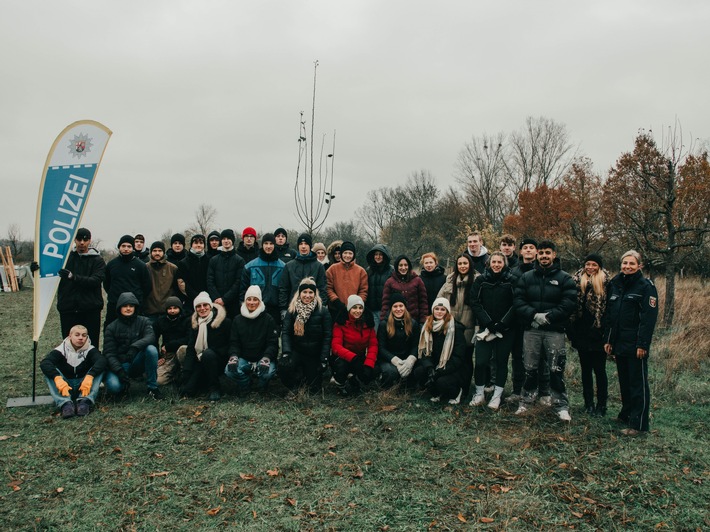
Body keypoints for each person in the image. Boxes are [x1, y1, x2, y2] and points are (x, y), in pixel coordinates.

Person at [513, 240, 576, 421]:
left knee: (556, 368)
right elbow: (518, 301)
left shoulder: (565, 278)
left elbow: (569, 303)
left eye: (548, 253)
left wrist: (549, 316)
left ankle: (561, 406)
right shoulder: (527, 277)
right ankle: (526, 402)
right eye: (541, 253)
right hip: (531, 329)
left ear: (554, 255)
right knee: (530, 367)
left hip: (554, 331)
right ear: (537, 255)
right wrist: (533, 315)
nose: (544, 256)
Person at [604, 250, 658, 436]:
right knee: (624, 381)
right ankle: (626, 415)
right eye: (625, 263)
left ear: (639, 266)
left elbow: (648, 319)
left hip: (636, 344)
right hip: (619, 342)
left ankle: (639, 425)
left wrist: (642, 344)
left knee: (638, 383)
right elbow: (611, 315)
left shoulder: (645, 286)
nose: (627, 267)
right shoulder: (616, 284)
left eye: (631, 264)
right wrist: (609, 340)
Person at [469, 252, 517, 409]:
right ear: (489, 264)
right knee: (481, 361)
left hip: (506, 328)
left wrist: (503, 323)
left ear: (504, 264)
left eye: (499, 262)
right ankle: (479, 393)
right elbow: (475, 302)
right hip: (485, 328)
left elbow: (516, 304)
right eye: (494, 262)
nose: (496, 265)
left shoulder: (512, 281)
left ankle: (497, 396)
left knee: (501, 361)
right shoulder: (481, 280)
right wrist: (488, 322)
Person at [508, 237, 549, 403]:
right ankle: (518, 390)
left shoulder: (543, 270)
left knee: (540, 357)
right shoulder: (513, 271)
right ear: (521, 251)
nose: (529, 250)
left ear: (537, 252)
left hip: (537, 321)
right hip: (518, 321)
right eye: (525, 248)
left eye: (532, 247)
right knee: (517, 357)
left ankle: (544, 391)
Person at [569, 253, 611, 416]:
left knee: (599, 370)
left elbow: (609, 310)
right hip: (581, 332)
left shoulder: (607, 282)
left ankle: (602, 405)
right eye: (588, 264)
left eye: (594, 265)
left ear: (599, 266)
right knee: (585, 370)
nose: (590, 267)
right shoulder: (577, 280)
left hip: (598, 332)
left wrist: (605, 333)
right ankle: (588, 404)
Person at [103, 292, 161, 399]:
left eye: (131, 306)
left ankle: (152, 388)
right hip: (119, 365)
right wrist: (119, 370)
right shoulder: (111, 327)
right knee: (114, 387)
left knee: (151, 349)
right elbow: (109, 353)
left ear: (135, 307)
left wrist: (135, 347)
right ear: (119, 308)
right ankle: (124, 385)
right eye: (125, 306)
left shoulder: (144, 321)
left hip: (136, 362)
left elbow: (151, 337)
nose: (128, 308)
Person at [280, 278, 332, 395]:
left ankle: (307, 378)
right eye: (304, 292)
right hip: (297, 351)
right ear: (299, 293)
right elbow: (286, 333)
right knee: (284, 368)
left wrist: (324, 358)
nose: (307, 295)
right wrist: (286, 353)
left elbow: (327, 336)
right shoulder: (292, 310)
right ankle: (295, 386)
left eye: (310, 292)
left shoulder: (323, 311)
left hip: (314, 354)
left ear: (315, 294)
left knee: (314, 391)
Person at [40, 325, 106, 418]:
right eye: (77, 335)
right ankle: (65, 403)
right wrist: (57, 378)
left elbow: (102, 361)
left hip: (83, 385)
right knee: (50, 372)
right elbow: (45, 363)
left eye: (84, 335)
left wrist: (90, 376)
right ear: (70, 336)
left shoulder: (90, 349)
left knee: (99, 369)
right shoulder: (60, 350)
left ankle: (85, 401)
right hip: (65, 386)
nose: (80, 338)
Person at [56, 227, 106, 348]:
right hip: (68, 308)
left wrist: (73, 277)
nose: (82, 243)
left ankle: (91, 366)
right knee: (69, 344)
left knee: (91, 343)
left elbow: (95, 280)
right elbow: (49, 273)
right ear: (74, 240)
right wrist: (36, 269)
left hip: (90, 309)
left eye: (85, 239)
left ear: (90, 241)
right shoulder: (65, 258)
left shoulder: (97, 260)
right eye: (79, 239)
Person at [411, 298, 467, 404]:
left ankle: (456, 392)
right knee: (419, 372)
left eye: (443, 309)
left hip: (451, 368)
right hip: (435, 365)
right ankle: (436, 392)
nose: (439, 312)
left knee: (442, 382)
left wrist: (440, 371)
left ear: (447, 311)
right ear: (433, 310)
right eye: (437, 309)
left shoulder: (456, 328)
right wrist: (430, 368)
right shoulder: (427, 326)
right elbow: (424, 352)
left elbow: (458, 357)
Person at [225, 285, 279, 395]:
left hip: (262, 358)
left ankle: (261, 387)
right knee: (228, 370)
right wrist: (234, 356)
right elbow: (234, 342)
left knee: (268, 373)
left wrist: (267, 358)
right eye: (249, 299)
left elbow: (272, 343)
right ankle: (246, 384)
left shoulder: (268, 319)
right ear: (245, 301)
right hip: (244, 358)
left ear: (260, 301)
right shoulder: (237, 319)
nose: (252, 302)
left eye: (255, 299)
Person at [437, 253, 476, 400]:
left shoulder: (476, 281)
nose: (462, 266)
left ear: (470, 265)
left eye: (465, 263)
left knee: (466, 360)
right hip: (451, 328)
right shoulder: (449, 281)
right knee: (451, 359)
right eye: (460, 264)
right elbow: (439, 301)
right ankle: (452, 386)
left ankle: (465, 388)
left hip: (468, 327)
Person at [180, 291, 232, 400]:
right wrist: (186, 371)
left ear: (210, 306)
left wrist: (213, 353)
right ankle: (200, 383)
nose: (202, 308)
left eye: (205, 305)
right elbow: (191, 348)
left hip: (219, 360)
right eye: (198, 306)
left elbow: (230, 344)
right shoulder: (196, 324)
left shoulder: (224, 322)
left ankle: (215, 388)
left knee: (208, 354)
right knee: (187, 391)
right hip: (200, 361)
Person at [331, 295, 377, 396]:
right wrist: (353, 358)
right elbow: (336, 346)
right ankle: (340, 385)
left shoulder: (368, 324)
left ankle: (354, 379)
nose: (358, 311)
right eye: (354, 308)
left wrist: (368, 364)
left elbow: (373, 345)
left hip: (360, 356)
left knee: (373, 371)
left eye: (360, 308)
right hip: (344, 357)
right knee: (341, 367)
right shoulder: (341, 323)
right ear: (349, 309)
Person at [104, 235, 152, 327]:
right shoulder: (111, 264)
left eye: (129, 246)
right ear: (119, 247)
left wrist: (137, 299)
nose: (126, 249)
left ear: (133, 248)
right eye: (123, 246)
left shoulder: (140, 265)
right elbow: (107, 284)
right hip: (114, 305)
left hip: (134, 306)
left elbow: (147, 286)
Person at [240, 233, 285, 328]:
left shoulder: (283, 267)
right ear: (262, 245)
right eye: (266, 243)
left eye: (271, 244)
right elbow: (243, 290)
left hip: (275, 311)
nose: (268, 246)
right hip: (255, 309)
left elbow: (285, 290)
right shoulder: (250, 266)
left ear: (274, 245)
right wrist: (243, 307)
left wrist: (283, 309)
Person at [376, 293, 420, 388]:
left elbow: (415, 345)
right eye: (395, 306)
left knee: (417, 371)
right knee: (391, 373)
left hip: (406, 358)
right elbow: (381, 348)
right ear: (391, 308)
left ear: (405, 307)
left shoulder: (413, 323)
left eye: (401, 306)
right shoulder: (384, 324)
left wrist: (410, 360)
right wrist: (395, 360)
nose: (398, 309)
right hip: (389, 359)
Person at [278, 233, 327, 314]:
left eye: (306, 244)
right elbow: (283, 289)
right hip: (293, 309)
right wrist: (283, 309)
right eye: (301, 244)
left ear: (310, 246)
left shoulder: (319, 267)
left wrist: (321, 307)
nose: (303, 246)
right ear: (298, 246)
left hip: (313, 311)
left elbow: (322, 289)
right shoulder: (289, 266)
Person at [207, 229, 246, 318]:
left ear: (232, 241)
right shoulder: (214, 260)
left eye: (228, 238)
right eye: (224, 238)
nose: (226, 241)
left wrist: (225, 299)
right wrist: (217, 298)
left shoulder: (239, 260)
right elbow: (210, 281)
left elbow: (238, 281)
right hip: (216, 303)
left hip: (233, 303)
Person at [152, 296, 191, 386]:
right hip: (168, 355)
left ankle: (183, 372)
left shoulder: (187, 319)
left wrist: (169, 345)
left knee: (183, 349)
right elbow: (153, 338)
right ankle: (174, 375)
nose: (172, 311)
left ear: (180, 308)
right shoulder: (160, 321)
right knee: (158, 381)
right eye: (169, 308)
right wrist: (158, 356)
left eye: (175, 308)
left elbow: (189, 338)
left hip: (183, 351)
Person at [326, 240, 368, 321]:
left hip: (355, 312)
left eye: (350, 253)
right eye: (345, 253)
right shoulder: (332, 269)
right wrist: (336, 301)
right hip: (336, 309)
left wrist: (357, 305)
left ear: (353, 255)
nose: (347, 256)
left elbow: (363, 291)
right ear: (341, 254)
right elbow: (328, 288)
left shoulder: (361, 271)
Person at [380, 255, 429, 324]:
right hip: (395, 321)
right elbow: (385, 303)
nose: (403, 268)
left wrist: (423, 321)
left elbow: (423, 302)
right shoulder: (390, 282)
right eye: (400, 265)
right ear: (397, 266)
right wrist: (383, 321)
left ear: (409, 266)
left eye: (406, 265)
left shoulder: (417, 280)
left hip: (414, 320)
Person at [144, 241, 179, 321]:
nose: (157, 253)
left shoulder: (173, 268)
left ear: (163, 252)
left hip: (168, 311)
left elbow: (177, 289)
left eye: (160, 251)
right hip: (150, 311)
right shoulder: (145, 268)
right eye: (154, 251)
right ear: (151, 252)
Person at [177, 234, 211, 308]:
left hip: (208, 299)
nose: (198, 245)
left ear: (204, 245)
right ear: (191, 245)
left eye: (201, 243)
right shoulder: (183, 263)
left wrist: (206, 295)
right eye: (195, 243)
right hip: (190, 301)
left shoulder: (209, 261)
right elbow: (182, 283)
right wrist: (196, 296)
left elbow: (211, 280)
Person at [365, 244, 393, 331]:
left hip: (387, 310)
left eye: (380, 254)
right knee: (375, 334)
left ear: (384, 256)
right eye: (376, 254)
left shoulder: (391, 270)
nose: (378, 257)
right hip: (372, 310)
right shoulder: (368, 270)